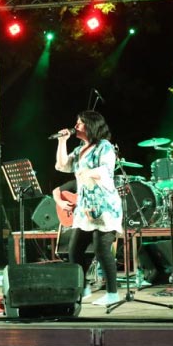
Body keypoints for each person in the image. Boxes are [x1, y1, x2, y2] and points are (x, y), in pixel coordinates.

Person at [55, 110, 123, 306]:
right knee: (74, 250)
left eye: (80, 123)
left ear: (91, 126)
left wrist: (87, 172)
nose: (76, 126)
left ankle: (112, 294)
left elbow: (106, 171)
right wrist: (62, 142)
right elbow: (62, 165)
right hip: (85, 208)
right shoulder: (79, 150)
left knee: (102, 251)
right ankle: (82, 287)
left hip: (104, 206)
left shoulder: (104, 147)